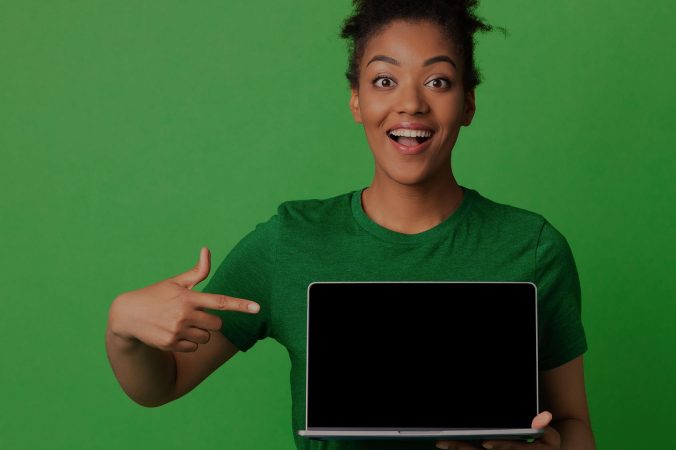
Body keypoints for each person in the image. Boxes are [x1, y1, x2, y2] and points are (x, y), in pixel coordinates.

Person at [104, 1, 596, 449]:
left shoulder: (532, 247)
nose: (411, 104)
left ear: (467, 103)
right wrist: (123, 328)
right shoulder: (290, 241)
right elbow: (162, 383)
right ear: (356, 100)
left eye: (438, 81)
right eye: (384, 80)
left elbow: (574, 425)